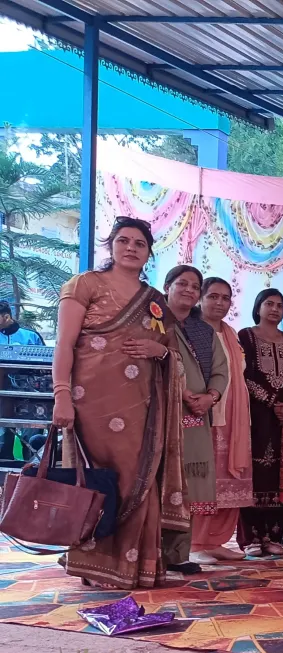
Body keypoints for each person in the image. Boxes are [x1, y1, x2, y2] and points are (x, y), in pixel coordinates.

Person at [51, 217, 185, 589]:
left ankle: (133, 567)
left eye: (140, 243)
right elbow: (64, 344)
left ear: (149, 253)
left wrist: (158, 350)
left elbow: (172, 352)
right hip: (90, 402)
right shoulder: (85, 284)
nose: (130, 248)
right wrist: (61, 394)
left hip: (141, 406)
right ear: (110, 245)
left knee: (138, 477)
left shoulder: (155, 300)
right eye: (123, 240)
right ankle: (95, 563)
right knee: (97, 479)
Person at [161, 265, 228, 575]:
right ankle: (149, 552)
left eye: (194, 286)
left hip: (196, 415)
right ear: (168, 287)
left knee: (188, 482)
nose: (189, 290)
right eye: (182, 283)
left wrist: (210, 397)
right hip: (161, 412)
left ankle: (178, 554)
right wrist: (184, 393)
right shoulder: (154, 322)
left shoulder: (203, 331)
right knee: (160, 480)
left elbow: (221, 371)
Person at [238, 289, 283, 555]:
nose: (275, 309)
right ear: (258, 307)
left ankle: (273, 536)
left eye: (280, 305)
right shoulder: (245, 336)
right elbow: (243, 374)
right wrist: (271, 402)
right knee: (255, 472)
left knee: (280, 473)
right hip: (255, 416)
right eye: (269, 303)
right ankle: (251, 538)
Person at [190, 277, 253, 563]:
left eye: (225, 298)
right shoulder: (191, 330)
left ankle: (215, 540)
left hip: (234, 416)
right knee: (204, 479)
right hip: (204, 414)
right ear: (200, 298)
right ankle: (194, 543)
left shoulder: (231, 333)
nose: (220, 303)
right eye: (213, 296)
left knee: (229, 480)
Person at [0, 300, 47, 463]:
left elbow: (46, 368)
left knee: (31, 436)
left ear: (6, 317)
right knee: (3, 437)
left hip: (29, 396)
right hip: (2, 396)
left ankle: (31, 470)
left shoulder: (31, 336)